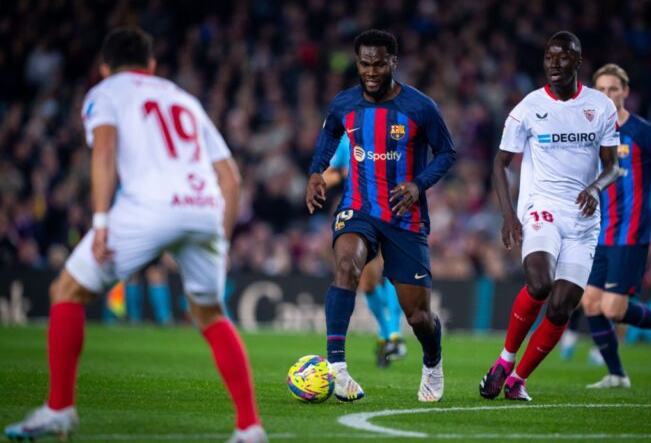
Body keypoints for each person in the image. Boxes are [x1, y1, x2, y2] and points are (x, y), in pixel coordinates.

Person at [4, 28, 267, 443]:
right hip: (204, 209)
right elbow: (230, 179)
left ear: (105, 67)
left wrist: (101, 221)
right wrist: (223, 241)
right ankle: (250, 428)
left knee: (67, 291)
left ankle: (59, 410)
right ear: (152, 65)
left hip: (149, 206)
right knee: (211, 314)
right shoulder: (184, 97)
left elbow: (104, 151)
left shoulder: (105, 91)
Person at [306, 29, 455, 402]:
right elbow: (327, 139)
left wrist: (419, 185)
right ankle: (336, 369)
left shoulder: (420, 107)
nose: (370, 71)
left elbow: (447, 152)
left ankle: (433, 362)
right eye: (364, 63)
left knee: (418, 316)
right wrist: (315, 173)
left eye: (378, 63)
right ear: (357, 63)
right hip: (358, 208)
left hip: (405, 217)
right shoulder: (344, 104)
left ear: (393, 62)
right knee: (346, 265)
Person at [479, 31, 621, 402]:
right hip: (541, 207)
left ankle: (518, 380)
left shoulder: (600, 106)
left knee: (562, 305)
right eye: (548, 57)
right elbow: (500, 162)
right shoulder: (527, 107)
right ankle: (504, 360)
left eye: (562, 57)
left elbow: (613, 166)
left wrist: (595, 188)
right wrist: (509, 215)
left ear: (578, 60)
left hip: (584, 219)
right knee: (540, 283)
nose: (554, 64)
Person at [582, 63, 651, 389]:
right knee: (589, 302)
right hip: (600, 230)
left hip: (631, 231)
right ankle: (617, 375)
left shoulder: (642, 132)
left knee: (614, 309)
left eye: (613, 89)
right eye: (601, 89)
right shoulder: (593, 132)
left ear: (625, 92)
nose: (607, 95)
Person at [322, 134, 406, 368]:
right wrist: (321, 181)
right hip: (356, 209)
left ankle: (395, 335)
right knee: (367, 282)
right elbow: (335, 171)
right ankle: (386, 333)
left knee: (389, 265)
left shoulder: (391, 131)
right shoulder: (346, 139)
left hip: (387, 205)